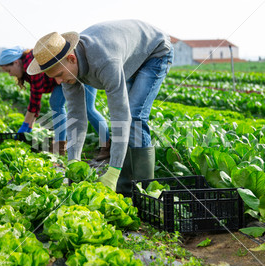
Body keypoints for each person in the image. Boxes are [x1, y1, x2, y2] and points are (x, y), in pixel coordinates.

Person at [27, 19, 174, 194]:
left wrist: (113, 171)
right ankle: (127, 186)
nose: (58, 82)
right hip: (127, 54)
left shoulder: (105, 61)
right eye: (54, 78)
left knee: (134, 114)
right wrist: (73, 160)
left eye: (59, 75)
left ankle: (144, 188)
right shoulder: (66, 71)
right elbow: (76, 116)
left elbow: (120, 115)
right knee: (129, 115)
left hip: (154, 51)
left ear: (72, 58)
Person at [0, 47, 110, 159]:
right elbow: (35, 100)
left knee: (88, 110)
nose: (10, 74)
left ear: (16, 62)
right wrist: (28, 125)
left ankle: (107, 146)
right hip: (63, 81)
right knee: (56, 103)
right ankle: (60, 146)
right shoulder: (27, 68)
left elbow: (35, 99)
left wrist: (25, 126)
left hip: (80, 72)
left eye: (9, 70)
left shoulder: (31, 63)